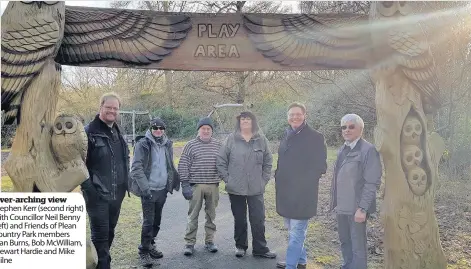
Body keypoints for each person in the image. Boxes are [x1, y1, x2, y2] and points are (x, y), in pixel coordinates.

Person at [216, 111, 276, 259]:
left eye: (248, 119)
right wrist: (228, 180)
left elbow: (268, 161)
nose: (245, 121)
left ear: (253, 122)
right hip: (236, 188)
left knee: (258, 219)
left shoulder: (261, 139)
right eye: (242, 119)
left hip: (256, 188)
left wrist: (264, 180)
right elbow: (221, 161)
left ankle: (260, 249)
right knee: (240, 218)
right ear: (239, 122)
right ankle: (240, 246)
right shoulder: (231, 139)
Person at [274, 102, 327, 269]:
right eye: (291, 114)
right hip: (285, 193)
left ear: (305, 115)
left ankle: (291, 265)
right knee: (291, 229)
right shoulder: (287, 135)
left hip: (303, 194)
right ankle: (301, 260)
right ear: (287, 117)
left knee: (297, 232)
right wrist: (278, 176)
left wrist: (304, 182)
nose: (294, 117)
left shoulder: (315, 137)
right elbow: (282, 161)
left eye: (298, 114)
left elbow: (321, 166)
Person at [80, 92, 130, 269]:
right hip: (97, 197)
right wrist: (91, 192)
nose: (112, 111)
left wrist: (127, 184)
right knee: (100, 239)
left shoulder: (117, 131)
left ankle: (100, 264)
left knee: (109, 235)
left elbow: (125, 157)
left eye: (115, 108)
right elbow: (79, 166)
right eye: (108, 107)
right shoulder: (88, 133)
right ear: (100, 107)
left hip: (117, 195)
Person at [329, 114, 382, 269]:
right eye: (344, 127)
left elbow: (372, 182)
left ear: (361, 129)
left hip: (357, 208)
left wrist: (363, 208)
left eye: (351, 126)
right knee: (345, 241)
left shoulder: (369, 150)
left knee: (358, 246)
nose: (347, 130)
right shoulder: (342, 149)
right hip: (342, 207)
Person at [129, 117, 180, 267]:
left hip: (162, 190)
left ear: (164, 130)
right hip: (148, 190)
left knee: (157, 221)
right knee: (148, 222)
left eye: (161, 128)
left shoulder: (167, 144)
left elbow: (170, 165)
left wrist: (172, 183)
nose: (158, 131)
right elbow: (136, 168)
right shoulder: (142, 144)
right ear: (151, 129)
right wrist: (145, 189)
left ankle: (151, 244)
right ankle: (144, 251)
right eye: (155, 128)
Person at [178, 117, 222, 256]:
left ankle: (210, 241)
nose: (206, 131)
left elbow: (224, 163)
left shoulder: (218, 145)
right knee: (193, 215)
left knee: (211, 215)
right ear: (198, 130)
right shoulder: (190, 145)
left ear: (212, 131)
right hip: (196, 185)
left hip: (213, 185)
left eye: (209, 129)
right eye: (203, 128)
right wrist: (185, 184)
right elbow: (183, 164)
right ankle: (189, 243)